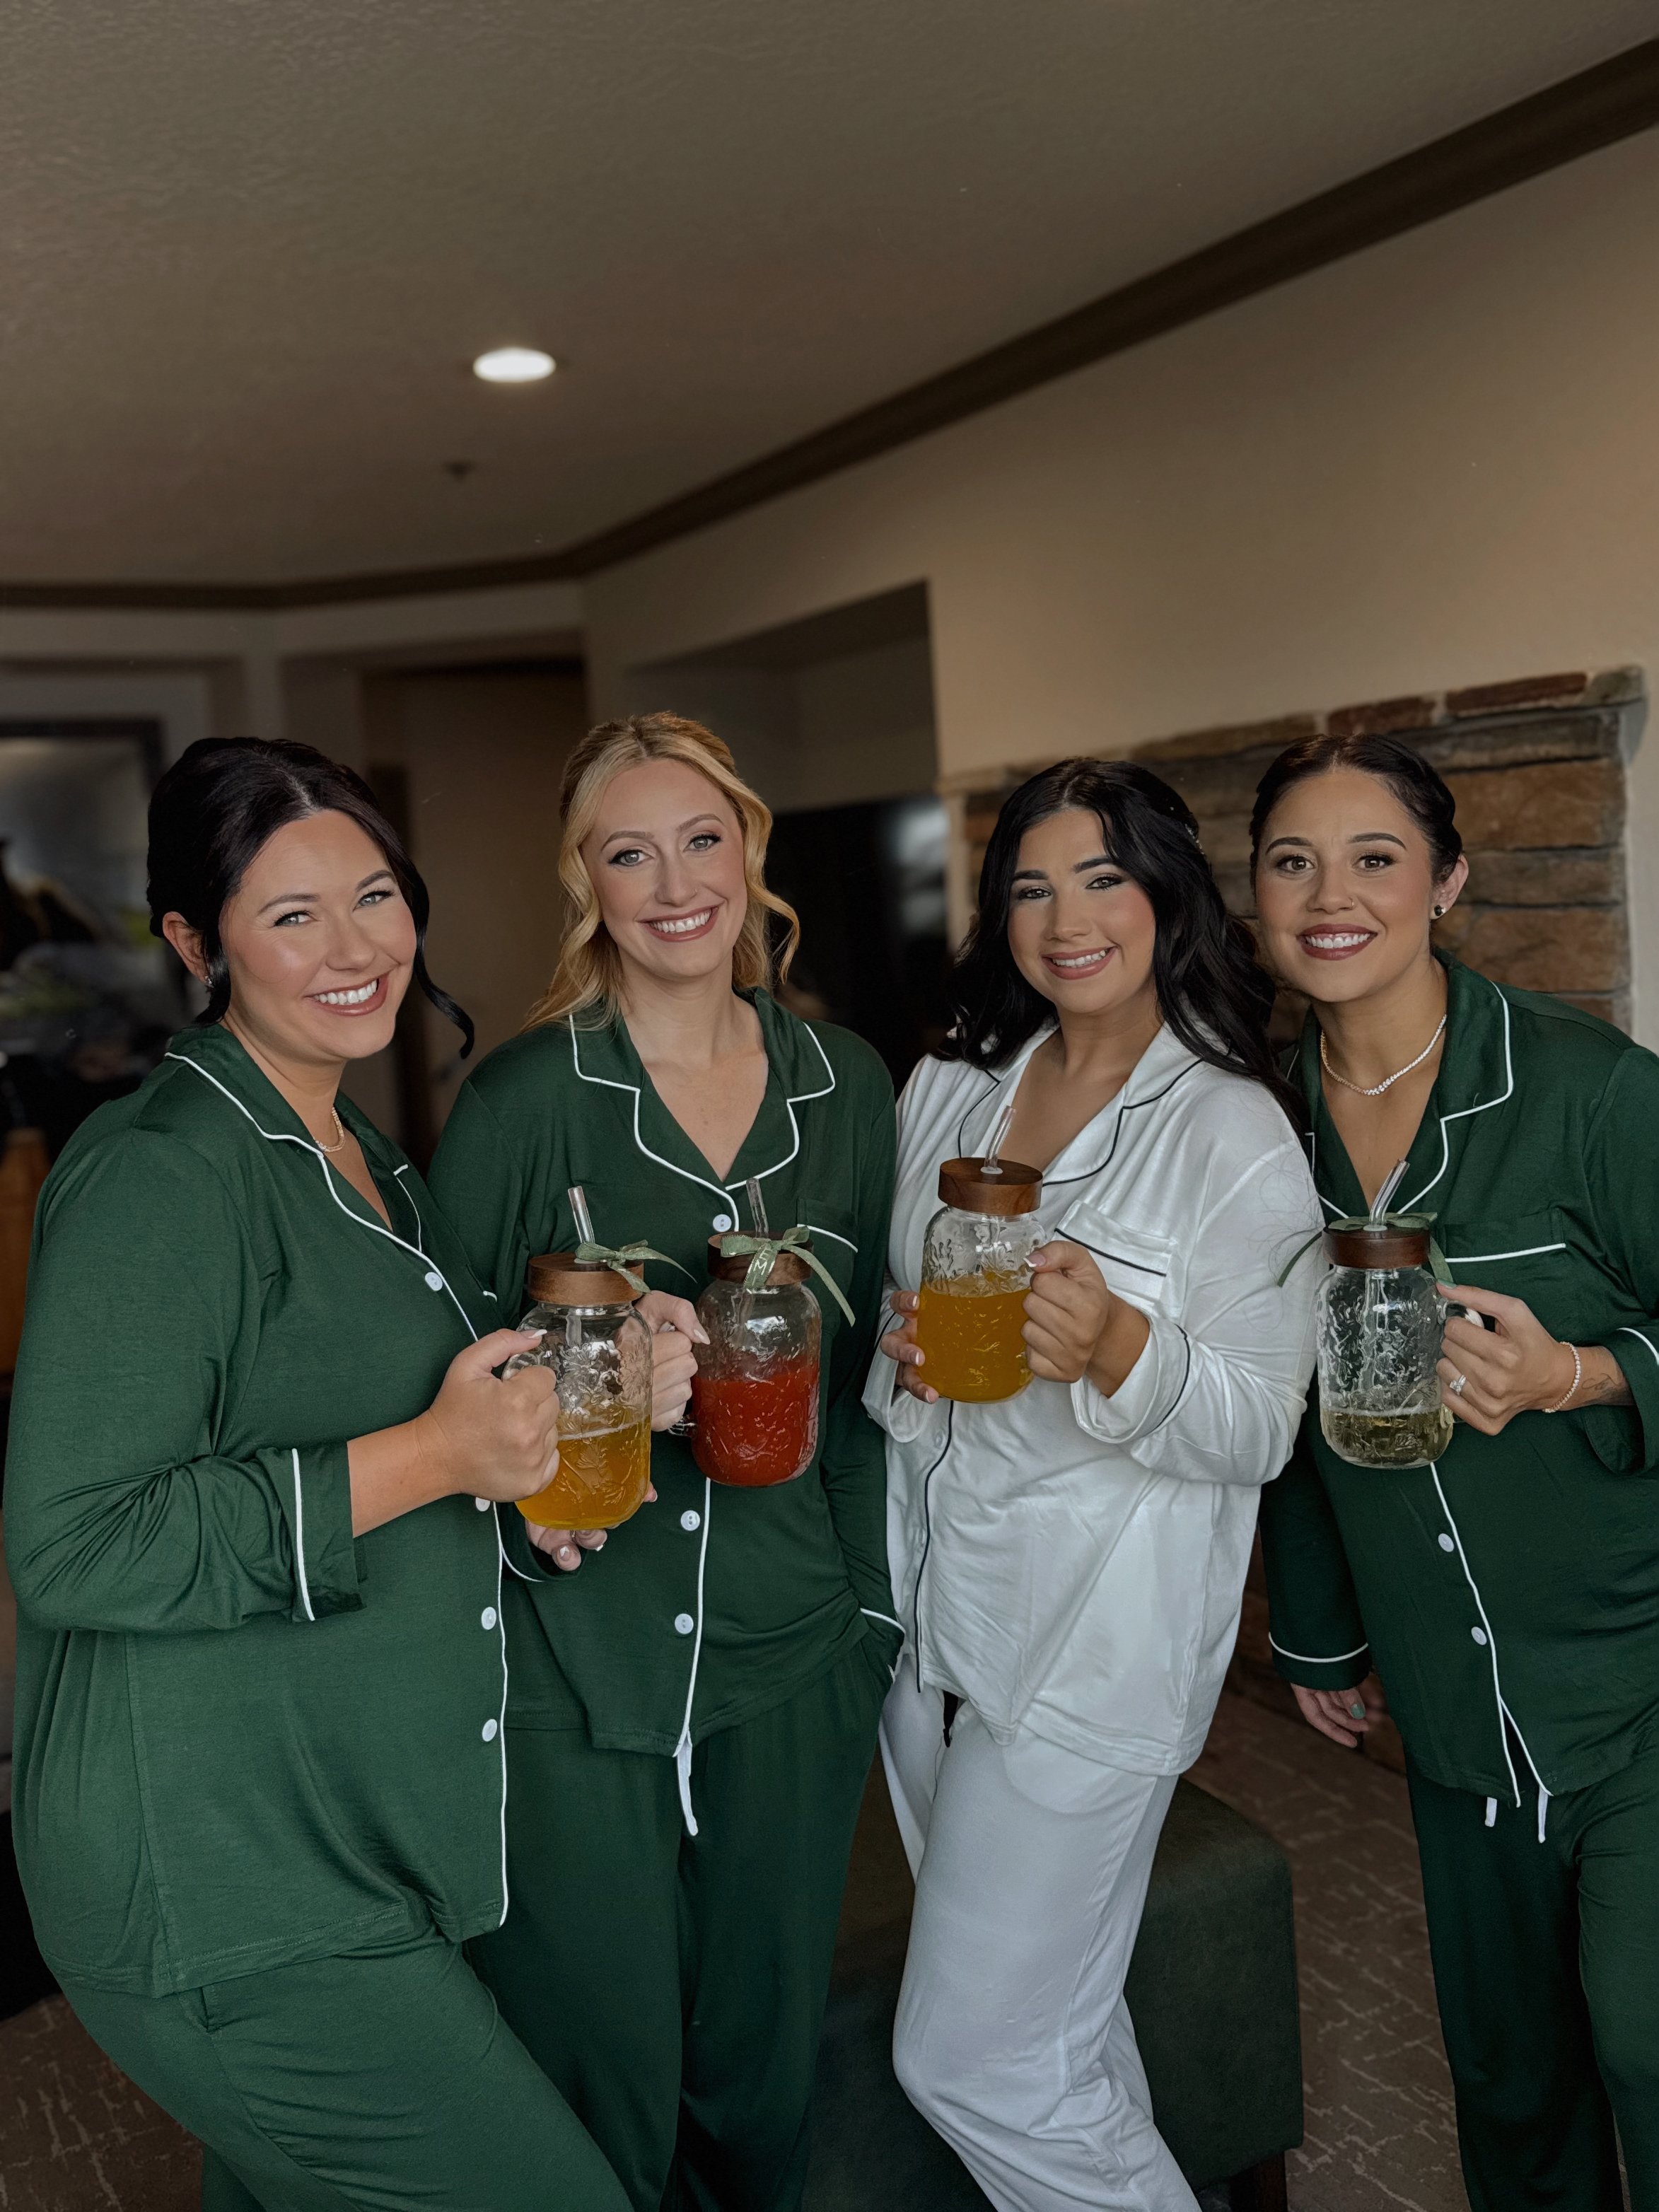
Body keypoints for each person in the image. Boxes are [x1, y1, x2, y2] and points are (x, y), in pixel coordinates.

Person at [4, 738, 634, 2212]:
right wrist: (434, 1453)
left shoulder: (362, 1154)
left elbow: (385, 1430)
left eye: (373, 894)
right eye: (292, 915)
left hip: (345, 1829)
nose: (357, 948)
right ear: (192, 943)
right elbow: (76, 1543)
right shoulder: (159, 1172)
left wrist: (533, 1440)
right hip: (223, 1881)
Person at [426, 713, 900, 2212]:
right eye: (629, 851)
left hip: (792, 1648)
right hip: (576, 1662)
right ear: (588, 883)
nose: (674, 879)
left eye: (703, 838)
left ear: (752, 852)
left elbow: (876, 1384)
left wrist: (870, 1619)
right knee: (599, 2077)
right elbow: (435, 1392)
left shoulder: (846, 1087)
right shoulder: (521, 1104)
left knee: (764, 2076)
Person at [868, 757, 1322, 2212]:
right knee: (1053, 2034)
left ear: (1166, 894)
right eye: (1031, 887)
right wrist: (905, 1354)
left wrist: (1121, 1341)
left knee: (975, 2057)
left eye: (1104, 877)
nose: (1067, 918)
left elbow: (1262, 1423)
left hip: (1092, 1657)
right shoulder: (945, 1092)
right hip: (934, 1633)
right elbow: (903, 1344)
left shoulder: (1229, 1132)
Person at [1251, 730, 1659, 2212]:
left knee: (1648, 2035)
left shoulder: (1591, 1090)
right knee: (1508, 2076)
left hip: (1636, 1668)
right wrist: (1317, 1627)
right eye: (1292, 860)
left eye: (1375, 856)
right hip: (1447, 1689)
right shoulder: (1257, 1137)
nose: (1330, 893)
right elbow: (1288, 1410)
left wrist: (1580, 1373)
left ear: (1450, 879)